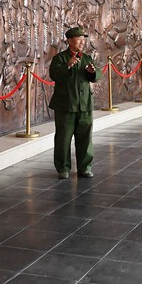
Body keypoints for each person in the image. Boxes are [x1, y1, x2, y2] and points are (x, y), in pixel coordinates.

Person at [48, 26, 101, 179]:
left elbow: (97, 74)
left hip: (84, 105)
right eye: (79, 39)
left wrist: (93, 72)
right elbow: (54, 75)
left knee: (85, 139)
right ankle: (63, 168)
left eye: (83, 39)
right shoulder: (60, 58)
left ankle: (85, 167)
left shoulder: (86, 58)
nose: (82, 42)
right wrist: (68, 65)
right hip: (65, 106)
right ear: (70, 41)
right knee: (63, 139)